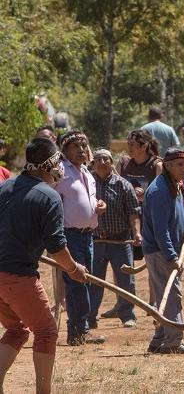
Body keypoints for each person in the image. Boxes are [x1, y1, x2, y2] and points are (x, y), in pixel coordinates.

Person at [0, 138, 89, 394]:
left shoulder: (5, 187)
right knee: (47, 332)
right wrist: (74, 269)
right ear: (48, 164)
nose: (61, 166)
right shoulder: (49, 196)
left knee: (16, 330)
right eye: (58, 161)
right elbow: (57, 247)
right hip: (18, 276)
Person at [54, 130, 107, 346]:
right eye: (76, 147)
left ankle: (80, 328)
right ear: (65, 151)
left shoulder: (87, 172)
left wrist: (98, 206)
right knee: (77, 281)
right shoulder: (60, 171)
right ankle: (78, 330)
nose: (82, 150)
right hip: (70, 235)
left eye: (85, 146)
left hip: (88, 236)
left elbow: (86, 202)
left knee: (86, 281)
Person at [142, 148, 184, 354]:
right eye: (180, 165)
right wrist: (171, 256)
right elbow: (160, 230)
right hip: (160, 251)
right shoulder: (159, 191)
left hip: (172, 248)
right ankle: (173, 342)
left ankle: (160, 339)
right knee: (172, 294)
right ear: (168, 165)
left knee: (166, 293)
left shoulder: (178, 185)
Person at [105, 129, 162, 318]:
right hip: (128, 220)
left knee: (153, 261)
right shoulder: (124, 163)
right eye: (128, 144)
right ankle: (122, 303)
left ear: (144, 146)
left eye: (133, 145)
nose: (129, 148)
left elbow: (162, 193)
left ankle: (154, 303)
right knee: (121, 265)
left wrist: (146, 196)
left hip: (151, 220)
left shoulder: (156, 165)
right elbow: (118, 185)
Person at [88, 149, 141, 329]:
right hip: (94, 241)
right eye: (98, 159)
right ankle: (90, 317)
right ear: (92, 163)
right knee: (94, 280)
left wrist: (137, 233)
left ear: (111, 162)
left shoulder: (123, 185)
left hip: (120, 241)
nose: (102, 162)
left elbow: (134, 212)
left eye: (106, 159)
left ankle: (127, 315)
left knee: (126, 280)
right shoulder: (87, 183)